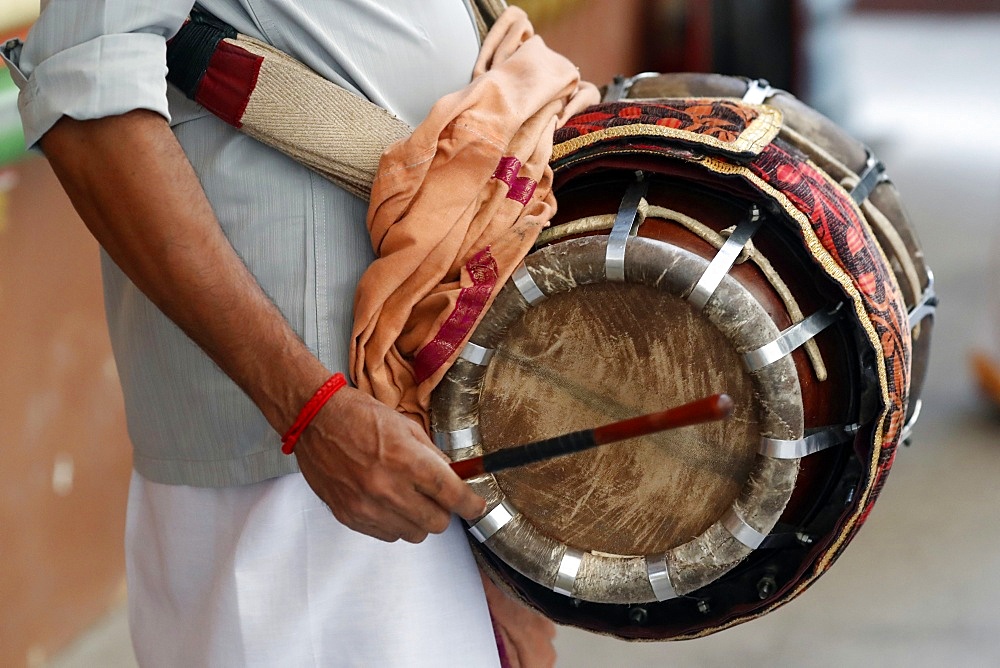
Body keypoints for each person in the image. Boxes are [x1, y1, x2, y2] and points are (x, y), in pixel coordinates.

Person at [5, 1, 559, 665]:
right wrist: (310, 409)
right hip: (302, 478)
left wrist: (500, 566)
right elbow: (87, 103)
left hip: (422, 434)